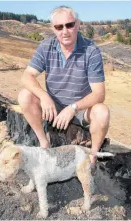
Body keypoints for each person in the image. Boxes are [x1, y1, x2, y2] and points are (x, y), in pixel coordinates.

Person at [17, 6, 110, 167]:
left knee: (102, 112)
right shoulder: (46, 47)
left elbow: (99, 94)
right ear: (53, 28)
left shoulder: (91, 50)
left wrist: (73, 108)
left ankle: (93, 157)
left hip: (81, 110)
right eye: (59, 27)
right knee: (25, 95)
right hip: (54, 105)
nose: (65, 31)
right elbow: (26, 76)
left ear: (78, 24)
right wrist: (44, 96)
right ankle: (44, 143)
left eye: (69, 25)